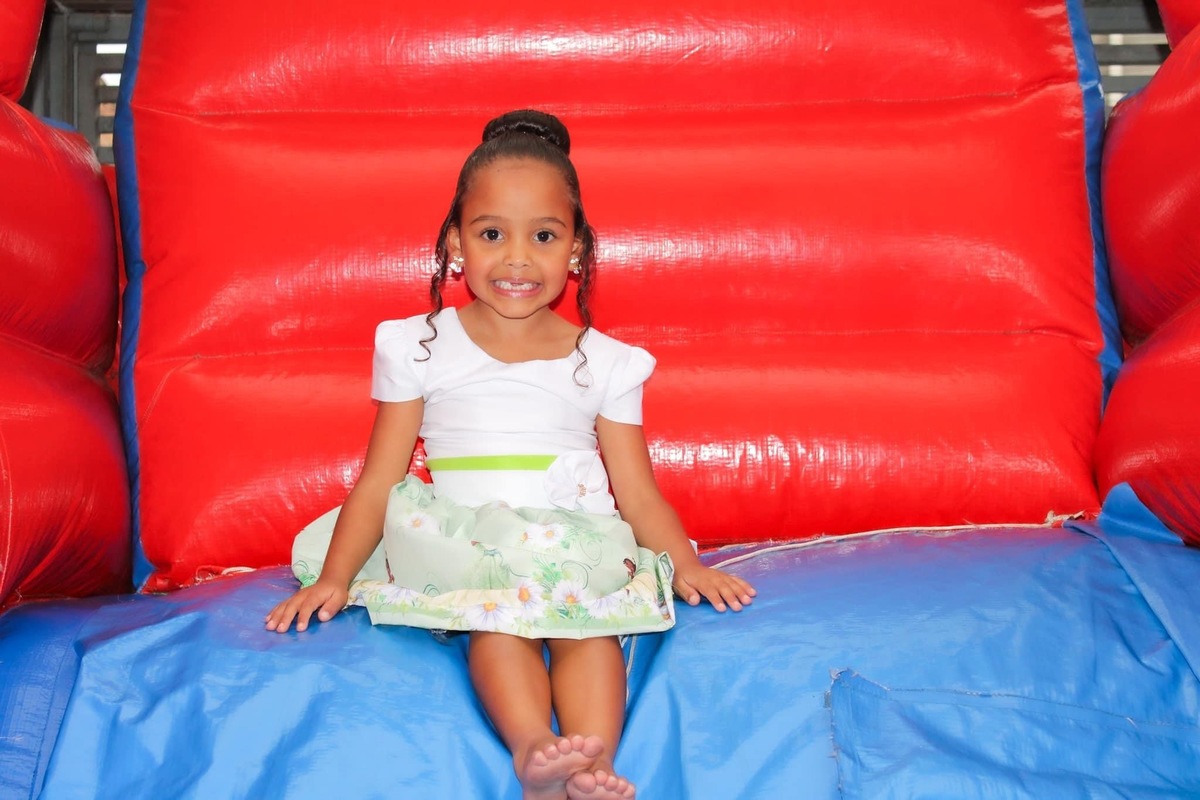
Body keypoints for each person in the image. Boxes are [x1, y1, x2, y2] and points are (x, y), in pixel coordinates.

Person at [265, 109, 756, 800]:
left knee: (589, 631)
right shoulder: (420, 346)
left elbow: (638, 492)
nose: (518, 259)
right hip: (469, 545)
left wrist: (687, 565)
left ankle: (591, 766)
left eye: (544, 236)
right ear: (455, 243)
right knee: (498, 620)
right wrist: (336, 578)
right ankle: (533, 751)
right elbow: (380, 479)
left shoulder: (606, 363)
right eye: (492, 234)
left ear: (576, 249)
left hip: (575, 544)